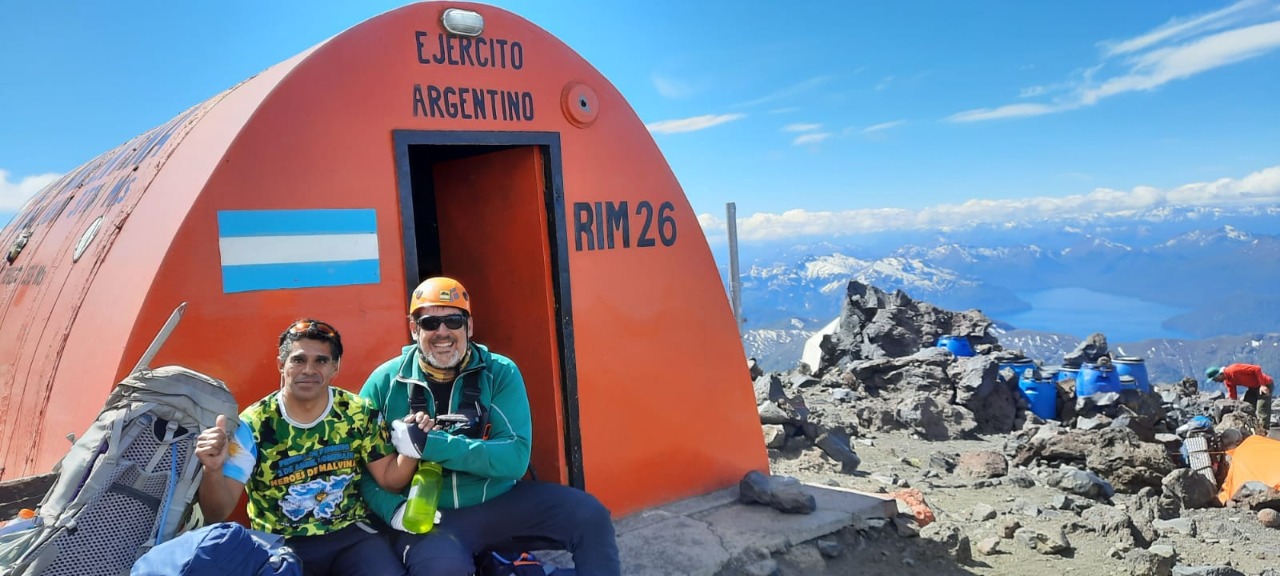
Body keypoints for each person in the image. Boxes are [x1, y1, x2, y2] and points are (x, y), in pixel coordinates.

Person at [359, 277, 621, 576]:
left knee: (590, 515)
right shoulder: (384, 383)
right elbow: (362, 470)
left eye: (453, 320)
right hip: (432, 517)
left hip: (497, 499)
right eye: (430, 322)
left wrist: (432, 445)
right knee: (442, 570)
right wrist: (393, 511)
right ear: (414, 328)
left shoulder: (500, 372)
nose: (442, 332)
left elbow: (515, 458)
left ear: (469, 326)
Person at [195, 319, 420, 576]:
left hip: (351, 535)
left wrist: (413, 447)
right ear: (282, 365)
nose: (309, 370)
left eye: (321, 361)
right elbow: (217, 512)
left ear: (335, 367)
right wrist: (212, 470)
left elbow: (390, 481)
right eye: (298, 360)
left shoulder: (359, 413)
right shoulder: (253, 426)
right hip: (281, 543)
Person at [1206, 364, 1274, 435]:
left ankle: (1265, 432)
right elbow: (1233, 397)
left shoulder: (1233, 370)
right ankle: (1253, 428)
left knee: (1262, 409)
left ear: (1220, 374)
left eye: (1215, 379)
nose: (1215, 381)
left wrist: (1262, 385)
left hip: (1265, 384)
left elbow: (1257, 369)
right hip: (1253, 388)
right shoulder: (1228, 381)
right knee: (1247, 407)